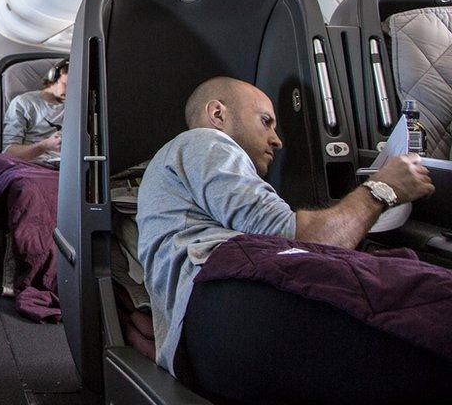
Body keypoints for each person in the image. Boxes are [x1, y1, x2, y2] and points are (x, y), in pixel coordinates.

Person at [137, 76, 440, 401]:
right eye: (266, 122)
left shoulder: (176, 170)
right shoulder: (204, 142)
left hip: (202, 339)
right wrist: (382, 189)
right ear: (218, 114)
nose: (277, 140)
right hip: (232, 309)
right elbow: (299, 241)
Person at [3, 59, 68, 163]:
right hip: (30, 165)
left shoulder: (78, 105)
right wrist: (45, 145)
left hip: (66, 167)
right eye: (66, 84)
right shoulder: (24, 103)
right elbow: (8, 152)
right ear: (53, 79)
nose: (71, 91)